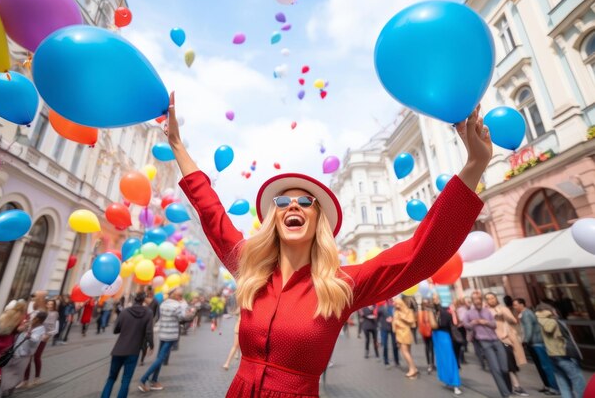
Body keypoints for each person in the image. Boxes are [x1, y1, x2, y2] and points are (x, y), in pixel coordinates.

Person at [165, 93, 491, 397]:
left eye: (305, 201)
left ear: (318, 221)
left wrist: (475, 163)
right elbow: (211, 212)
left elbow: (418, 253)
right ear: (273, 221)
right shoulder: (251, 268)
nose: (293, 206)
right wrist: (177, 145)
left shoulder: (341, 285)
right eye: (283, 202)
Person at [101, 292, 153, 398]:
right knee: (126, 381)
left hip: (118, 350)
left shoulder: (125, 311)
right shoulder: (148, 313)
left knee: (111, 378)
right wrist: (151, 345)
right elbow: (149, 332)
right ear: (143, 300)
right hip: (133, 351)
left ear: (134, 299)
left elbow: (116, 330)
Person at [464, 291, 513, 398]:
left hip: (496, 340)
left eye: (479, 299)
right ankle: (506, 394)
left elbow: (494, 325)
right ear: (472, 301)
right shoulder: (469, 313)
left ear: (481, 300)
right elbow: (466, 326)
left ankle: (509, 389)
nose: (477, 301)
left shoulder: (487, 311)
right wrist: (474, 323)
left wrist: (485, 322)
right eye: (475, 299)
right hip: (484, 343)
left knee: (504, 368)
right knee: (495, 369)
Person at [139, 288, 188, 392]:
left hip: (163, 333)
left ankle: (154, 381)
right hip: (170, 335)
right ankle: (144, 379)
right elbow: (182, 318)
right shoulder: (177, 306)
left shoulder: (163, 304)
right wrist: (184, 307)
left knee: (159, 358)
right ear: (178, 297)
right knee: (160, 359)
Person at [536, 303, 586, 398]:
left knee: (563, 383)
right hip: (564, 354)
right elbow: (565, 337)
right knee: (577, 380)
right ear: (549, 311)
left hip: (552, 355)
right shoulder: (553, 321)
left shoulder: (541, 321)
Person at [513, 298, 560, 396]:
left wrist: (525, 341)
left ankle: (554, 387)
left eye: (516, 305)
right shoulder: (524, 314)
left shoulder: (526, 314)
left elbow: (528, 329)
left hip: (536, 343)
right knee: (541, 366)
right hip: (535, 343)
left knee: (545, 366)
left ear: (522, 304)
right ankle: (547, 385)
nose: (514, 307)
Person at [486, 292, 529, 396]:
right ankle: (510, 387)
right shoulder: (486, 311)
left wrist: (502, 313)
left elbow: (514, 321)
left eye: (493, 298)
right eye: (488, 299)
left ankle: (516, 386)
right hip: (494, 340)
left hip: (506, 340)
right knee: (503, 366)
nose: (491, 300)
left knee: (509, 363)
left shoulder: (504, 309)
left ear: (496, 298)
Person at [0, 310, 47, 397]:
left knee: (18, 374)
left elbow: (35, 341)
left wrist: (28, 335)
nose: (30, 318)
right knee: (6, 370)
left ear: (38, 319)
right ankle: (4, 391)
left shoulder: (40, 329)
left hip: (24, 354)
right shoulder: (28, 324)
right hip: (14, 351)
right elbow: (17, 331)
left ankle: (8, 391)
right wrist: (21, 328)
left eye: (33, 317)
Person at [19, 298, 58, 389]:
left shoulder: (55, 314)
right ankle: (25, 380)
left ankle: (37, 378)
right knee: (28, 357)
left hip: (43, 338)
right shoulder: (41, 313)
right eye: (48, 304)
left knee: (36, 357)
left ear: (54, 305)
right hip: (34, 336)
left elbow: (55, 329)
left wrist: (48, 335)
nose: (50, 306)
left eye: (52, 304)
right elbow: (34, 322)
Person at [432, 294, 462, 395]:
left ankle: (455, 383)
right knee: (441, 360)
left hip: (445, 336)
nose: (434, 300)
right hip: (436, 336)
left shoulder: (444, 311)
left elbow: (450, 322)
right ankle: (447, 380)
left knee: (450, 359)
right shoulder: (431, 312)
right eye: (433, 299)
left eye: (435, 299)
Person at [394, 297, 418, 378]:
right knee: (407, 352)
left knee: (405, 352)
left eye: (397, 303)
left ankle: (413, 369)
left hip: (405, 333)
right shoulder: (397, 311)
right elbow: (394, 323)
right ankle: (412, 368)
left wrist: (402, 317)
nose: (396, 305)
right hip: (399, 333)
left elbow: (412, 322)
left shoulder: (408, 311)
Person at [377, 299, 399, 369]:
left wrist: (392, 318)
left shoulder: (393, 307)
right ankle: (386, 361)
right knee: (385, 345)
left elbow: (396, 315)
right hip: (384, 328)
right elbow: (377, 315)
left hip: (393, 328)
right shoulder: (381, 307)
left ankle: (396, 361)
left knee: (394, 345)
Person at [418, 298, 435, 374]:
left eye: (426, 303)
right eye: (424, 304)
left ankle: (432, 363)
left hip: (431, 331)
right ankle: (429, 364)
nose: (425, 305)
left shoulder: (431, 311)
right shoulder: (421, 312)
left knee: (431, 348)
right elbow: (420, 322)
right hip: (424, 332)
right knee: (427, 348)